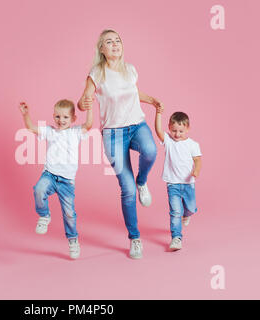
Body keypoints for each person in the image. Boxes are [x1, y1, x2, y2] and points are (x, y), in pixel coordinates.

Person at [78, 29, 162, 259]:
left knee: (150, 150)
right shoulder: (97, 73)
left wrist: (151, 99)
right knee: (127, 189)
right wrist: (83, 102)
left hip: (136, 125)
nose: (115, 44)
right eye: (109, 42)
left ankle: (142, 181)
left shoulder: (131, 70)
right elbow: (83, 100)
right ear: (102, 50)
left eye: (117, 41)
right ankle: (135, 239)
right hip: (113, 134)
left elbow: (133, 92)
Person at [18, 99, 93, 259]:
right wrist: (26, 115)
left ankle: (73, 241)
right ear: (53, 117)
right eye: (58, 117)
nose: (61, 120)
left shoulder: (75, 132)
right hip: (50, 175)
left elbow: (88, 125)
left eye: (65, 117)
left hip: (67, 182)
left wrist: (89, 108)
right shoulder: (50, 131)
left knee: (69, 214)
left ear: (73, 119)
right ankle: (44, 215)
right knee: (38, 189)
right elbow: (31, 128)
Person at [154, 109, 202, 251]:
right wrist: (158, 114)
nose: (177, 134)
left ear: (187, 129)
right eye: (174, 130)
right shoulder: (168, 140)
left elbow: (197, 160)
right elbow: (158, 131)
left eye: (181, 131)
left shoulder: (193, 144)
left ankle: (186, 215)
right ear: (169, 127)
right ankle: (176, 238)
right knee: (175, 212)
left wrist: (196, 171)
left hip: (188, 184)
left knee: (191, 208)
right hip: (173, 184)